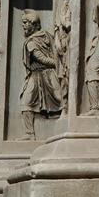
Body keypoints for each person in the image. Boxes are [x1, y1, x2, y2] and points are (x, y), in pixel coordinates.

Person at [19, 10, 61, 139]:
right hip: (40, 74)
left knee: (61, 101)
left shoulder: (32, 42)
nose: (24, 26)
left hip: (45, 75)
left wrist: (57, 64)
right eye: (23, 23)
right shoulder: (47, 35)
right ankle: (30, 133)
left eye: (26, 23)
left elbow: (41, 58)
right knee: (26, 102)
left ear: (34, 23)